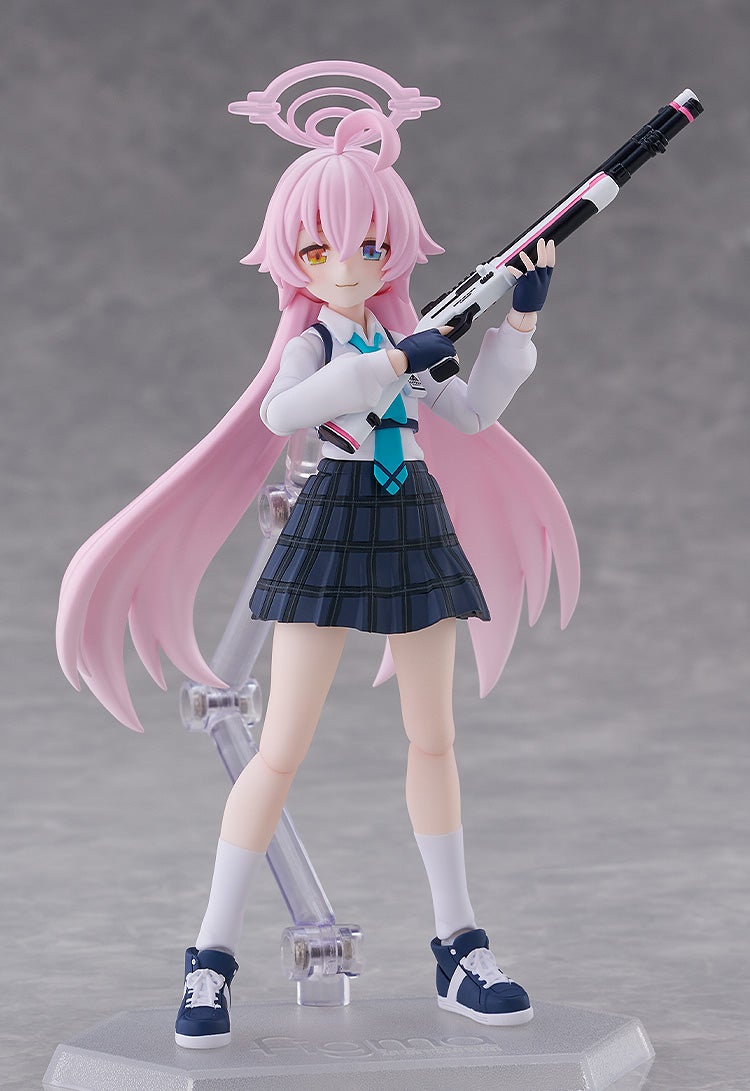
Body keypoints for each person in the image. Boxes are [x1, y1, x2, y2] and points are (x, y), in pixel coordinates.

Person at [56, 62, 580, 1049]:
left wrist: (518, 322)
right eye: (323, 246)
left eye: (371, 245)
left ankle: (458, 943)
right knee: (279, 746)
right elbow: (283, 411)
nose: (348, 263)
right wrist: (387, 362)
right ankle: (210, 956)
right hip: (332, 518)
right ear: (293, 253)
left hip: (413, 519)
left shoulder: (409, 337)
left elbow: (472, 414)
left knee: (434, 738)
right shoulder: (323, 346)